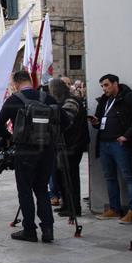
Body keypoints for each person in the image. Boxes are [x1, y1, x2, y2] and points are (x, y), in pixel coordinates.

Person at [0, 70, 62, 243]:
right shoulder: (47, 98)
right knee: (42, 189)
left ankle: (29, 230)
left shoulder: (13, 100)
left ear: (16, 84)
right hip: (46, 151)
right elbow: (64, 122)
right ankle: (48, 230)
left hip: (24, 151)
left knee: (25, 190)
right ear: (30, 80)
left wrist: (11, 139)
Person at [90, 74, 132, 224]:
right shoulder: (104, 100)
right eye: (102, 86)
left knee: (128, 176)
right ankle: (114, 209)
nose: (104, 88)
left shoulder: (129, 97)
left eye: (106, 85)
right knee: (109, 177)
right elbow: (99, 118)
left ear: (116, 84)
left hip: (119, 143)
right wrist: (95, 122)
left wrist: (126, 135)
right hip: (104, 143)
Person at [49, 78, 89, 218]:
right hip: (66, 145)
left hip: (73, 145)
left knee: (71, 177)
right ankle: (66, 205)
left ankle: (74, 207)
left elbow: (65, 121)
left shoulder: (71, 101)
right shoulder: (65, 101)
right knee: (62, 177)